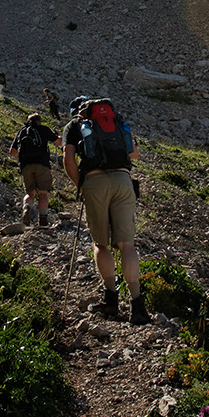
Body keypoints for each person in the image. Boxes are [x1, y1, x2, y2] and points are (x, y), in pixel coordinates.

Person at [63, 98, 149, 324]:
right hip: (123, 179)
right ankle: (137, 305)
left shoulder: (74, 126)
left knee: (101, 244)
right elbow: (134, 153)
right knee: (127, 244)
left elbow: (68, 160)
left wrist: (80, 185)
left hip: (94, 181)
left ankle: (110, 299)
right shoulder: (116, 122)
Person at [9, 113, 59, 227]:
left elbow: (12, 152)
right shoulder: (43, 129)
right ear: (39, 121)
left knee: (29, 193)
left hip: (26, 166)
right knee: (42, 193)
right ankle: (43, 220)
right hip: (42, 164)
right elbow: (58, 142)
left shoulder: (21, 131)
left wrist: (22, 156)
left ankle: (27, 208)